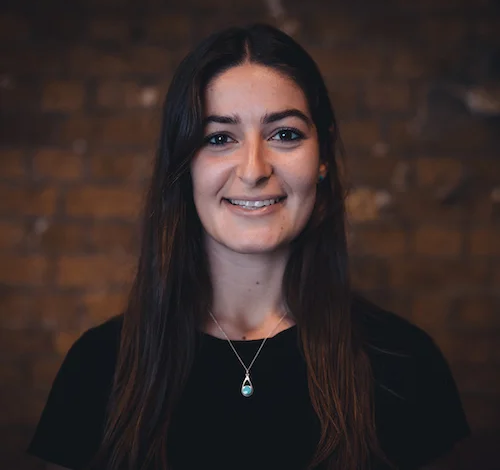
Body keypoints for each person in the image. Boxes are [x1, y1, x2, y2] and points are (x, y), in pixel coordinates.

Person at [27, 23, 470, 470]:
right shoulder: (97, 367)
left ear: (322, 158)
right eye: (219, 138)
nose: (254, 169)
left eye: (285, 134)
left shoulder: (406, 364)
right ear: (184, 165)